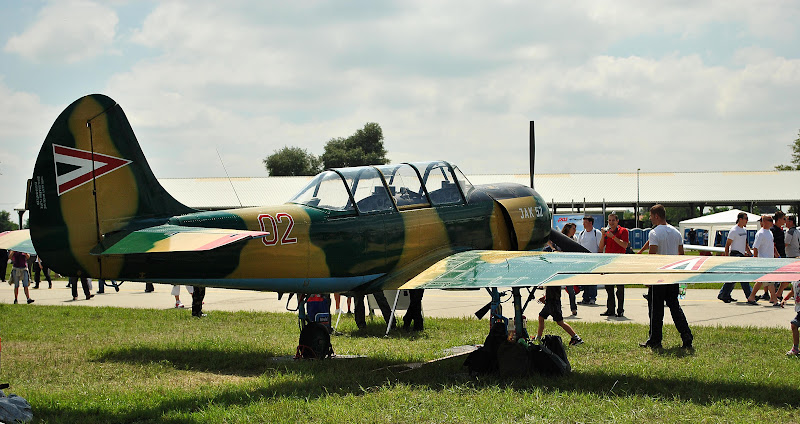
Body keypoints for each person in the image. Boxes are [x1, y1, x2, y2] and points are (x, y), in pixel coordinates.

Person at [639, 204, 693, 350]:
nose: (650, 219)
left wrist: (649, 278)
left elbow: (653, 257)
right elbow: (681, 255)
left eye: (650, 216)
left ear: (656, 216)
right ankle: (686, 336)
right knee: (675, 308)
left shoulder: (654, 233)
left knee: (656, 310)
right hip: (673, 276)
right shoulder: (676, 233)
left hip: (659, 277)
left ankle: (655, 340)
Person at [717, 212, 753, 303]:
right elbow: (727, 244)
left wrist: (750, 253)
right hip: (735, 255)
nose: (747, 221)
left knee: (733, 277)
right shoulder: (734, 230)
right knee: (743, 276)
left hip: (741, 255)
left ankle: (724, 294)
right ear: (740, 219)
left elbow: (745, 244)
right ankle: (750, 295)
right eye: (746, 218)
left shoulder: (744, 230)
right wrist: (726, 256)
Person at [598, 212, 629, 317]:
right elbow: (601, 248)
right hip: (608, 262)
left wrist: (613, 237)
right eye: (609, 220)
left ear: (617, 221)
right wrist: (603, 236)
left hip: (619, 262)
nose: (611, 222)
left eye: (613, 220)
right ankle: (610, 309)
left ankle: (620, 310)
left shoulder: (623, 231)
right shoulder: (607, 232)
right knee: (609, 288)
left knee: (620, 288)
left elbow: (624, 245)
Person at [746, 215, 780, 306]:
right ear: (764, 221)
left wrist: (776, 255)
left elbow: (772, 246)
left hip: (769, 260)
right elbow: (755, 247)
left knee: (766, 280)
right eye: (769, 220)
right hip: (763, 260)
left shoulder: (769, 232)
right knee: (767, 280)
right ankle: (774, 299)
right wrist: (756, 259)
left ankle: (754, 297)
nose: (771, 222)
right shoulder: (760, 233)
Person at [577, 216, 602, 305]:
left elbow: (600, 247)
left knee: (592, 280)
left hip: (593, 260)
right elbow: (578, 246)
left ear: (590, 223)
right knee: (584, 280)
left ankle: (592, 297)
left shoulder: (597, 233)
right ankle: (585, 298)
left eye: (585, 222)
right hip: (583, 261)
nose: (583, 224)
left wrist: (599, 259)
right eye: (583, 222)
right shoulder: (581, 233)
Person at [560, 223, 579, 316]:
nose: (574, 230)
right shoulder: (561, 238)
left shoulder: (574, 239)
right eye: (573, 228)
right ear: (568, 229)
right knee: (556, 289)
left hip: (570, 267)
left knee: (571, 290)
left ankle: (573, 308)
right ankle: (556, 307)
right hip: (560, 266)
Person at [781, 280, 799, 356]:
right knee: (794, 325)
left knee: (794, 324)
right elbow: (792, 291)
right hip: (799, 308)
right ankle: (795, 348)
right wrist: (785, 299)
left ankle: (795, 348)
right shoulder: (795, 281)